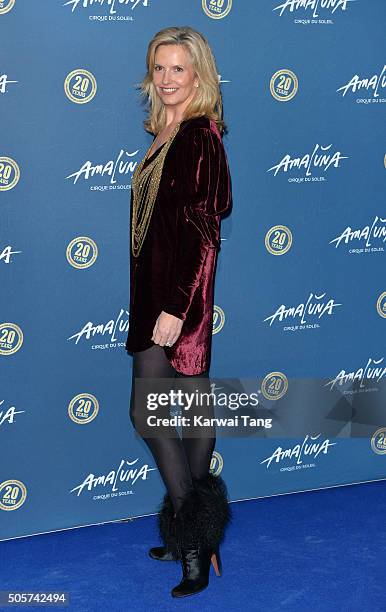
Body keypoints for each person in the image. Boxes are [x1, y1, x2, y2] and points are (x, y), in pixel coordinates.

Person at [125, 26, 233, 598]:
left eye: (178, 70)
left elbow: (203, 235)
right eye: (159, 69)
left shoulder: (198, 137)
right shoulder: (165, 133)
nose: (167, 80)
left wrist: (175, 307)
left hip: (177, 301)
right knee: (183, 413)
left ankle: (193, 542)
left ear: (199, 77)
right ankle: (196, 532)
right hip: (154, 295)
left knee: (152, 415)